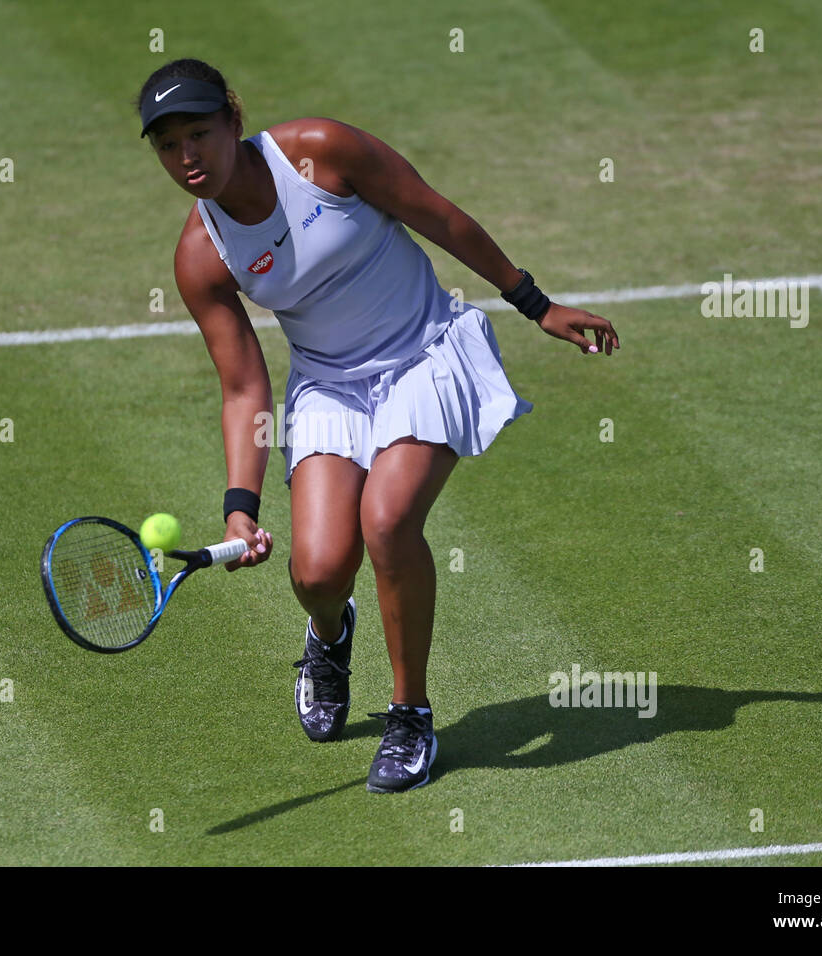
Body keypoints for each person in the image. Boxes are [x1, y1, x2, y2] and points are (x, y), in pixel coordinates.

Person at [136, 58, 618, 793]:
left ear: (235, 121)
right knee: (320, 570)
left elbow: (439, 215)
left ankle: (409, 715)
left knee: (387, 523)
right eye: (168, 145)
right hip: (329, 385)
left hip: (425, 351)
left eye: (199, 133)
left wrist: (534, 303)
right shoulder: (201, 254)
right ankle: (329, 637)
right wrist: (241, 509)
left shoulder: (323, 152)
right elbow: (243, 386)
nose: (187, 158)